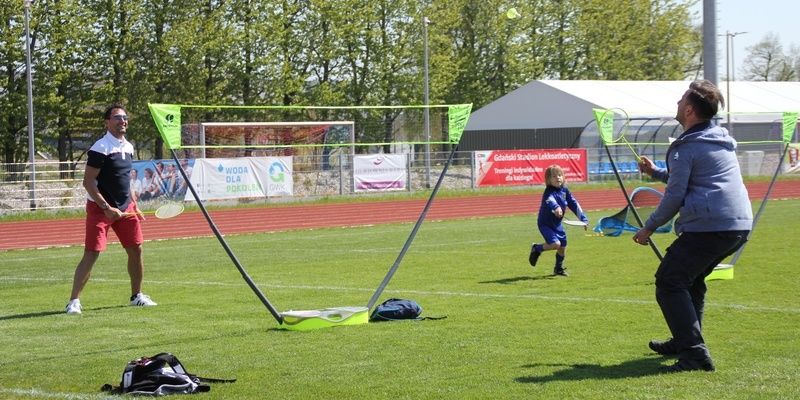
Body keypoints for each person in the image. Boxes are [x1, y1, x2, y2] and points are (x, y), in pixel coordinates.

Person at [633, 80, 752, 373]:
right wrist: (654, 172)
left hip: (709, 225)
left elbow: (676, 194)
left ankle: (694, 354)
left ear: (688, 110)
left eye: (679, 101)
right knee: (692, 281)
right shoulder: (717, 138)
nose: (676, 105)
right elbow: (691, 177)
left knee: (669, 281)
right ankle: (684, 340)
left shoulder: (684, 146)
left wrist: (648, 227)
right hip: (737, 224)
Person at [65, 104, 157, 314]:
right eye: (117, 117)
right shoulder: (100, 147)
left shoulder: (129, 147)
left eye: (125, 117)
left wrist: (135, 204)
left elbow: (125, 181)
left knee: (136, 250)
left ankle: (137, 296)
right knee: (92, 252)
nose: (122, 121)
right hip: (100, 208)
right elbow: (88, 182)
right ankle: (73, 301)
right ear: (107, 122)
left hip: (126, 208)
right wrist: (106, 207)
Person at [528, 164, 589, 276]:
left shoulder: (565, 190)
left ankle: (558, 269)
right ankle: (537, 248)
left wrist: (583, 219)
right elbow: (550, 200)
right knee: (555, 244)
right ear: (548, 179)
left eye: (560, 175)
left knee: (562, 247)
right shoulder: (549, 192)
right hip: (545, 224)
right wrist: (556, 207)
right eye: (554, 176)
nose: (558, 178)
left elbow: (574, 204)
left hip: (557, 224)